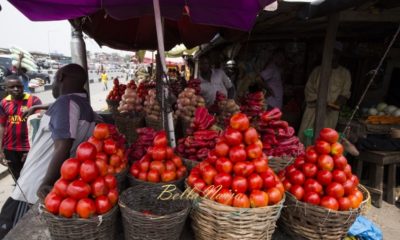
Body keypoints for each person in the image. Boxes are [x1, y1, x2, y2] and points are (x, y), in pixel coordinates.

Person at [0, 64, 97, 238]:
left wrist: (46, 182)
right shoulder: (84, 107)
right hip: (51, 190)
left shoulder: (66, 103)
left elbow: (64, 143)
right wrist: (39, 108)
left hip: (31, 191)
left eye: (53, 78)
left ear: (60, 77)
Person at [298, 43, 352, 142]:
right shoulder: (317, 70)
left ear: (339, 55)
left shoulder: (345, 73)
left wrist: (335, 105)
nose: (331, 55)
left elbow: (345, 93)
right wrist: (320, 101)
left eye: (335, 53)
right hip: (313, 109)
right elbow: (308, 89)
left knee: (324, 140)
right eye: (330, 53)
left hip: (330, 113)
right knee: (305, 136)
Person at [0, 75, 42, 179]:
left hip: (28, 148)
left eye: (19, 86)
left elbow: (39, 124)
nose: (16, 89)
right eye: (12, 87)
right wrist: (0, 150)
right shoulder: (4, 103)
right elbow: (2, 126)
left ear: (23, 87)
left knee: (31, 178)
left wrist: (35, 148)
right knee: (17, 178)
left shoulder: (34, 101)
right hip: (10, 148)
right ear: (6, 88)